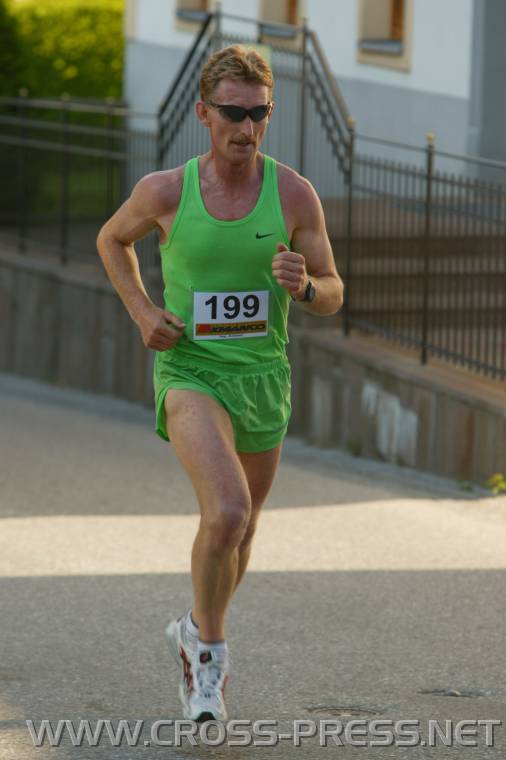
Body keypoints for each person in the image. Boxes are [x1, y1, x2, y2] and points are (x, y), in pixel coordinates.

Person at [96, 44, 344, 723]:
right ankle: (209, 659)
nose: (246, 127)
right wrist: (144, 311)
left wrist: (308, 286)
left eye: (258, 114)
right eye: (233, 113)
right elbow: (111, 240)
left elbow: (333, 292)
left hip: (262, 376)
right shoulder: (166, 192)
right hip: (191, 371)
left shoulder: (293, 194)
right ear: (204, 113)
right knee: (228, 512)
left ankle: (194, 628)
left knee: (244, 529)